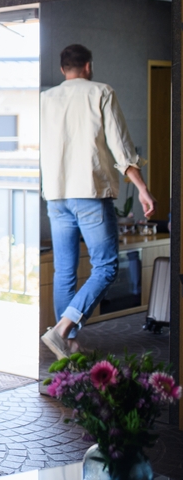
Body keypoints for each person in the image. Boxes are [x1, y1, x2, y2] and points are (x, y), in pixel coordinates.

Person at [39, 44, 155, 359]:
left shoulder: (45, 99)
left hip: (56, 194)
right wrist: (142, 189)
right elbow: (121, 148)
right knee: (105, 266)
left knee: (64, 269)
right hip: (89, 192)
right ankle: (64, 330)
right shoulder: (101, 92)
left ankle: (68, 344)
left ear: (64, 69)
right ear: (88, 66)